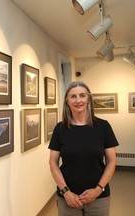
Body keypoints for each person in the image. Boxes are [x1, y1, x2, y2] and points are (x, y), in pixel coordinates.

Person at [48, 81, 119, 216]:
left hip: (99, 197)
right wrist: (66, 192)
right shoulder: (60, 129)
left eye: (82, 95)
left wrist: (98, 190)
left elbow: (112, 161)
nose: (78, 100)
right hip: (68, 198)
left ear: (89, 99)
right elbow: (53, 163)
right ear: (67, 101)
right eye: (73, 96)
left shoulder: (103, 127)